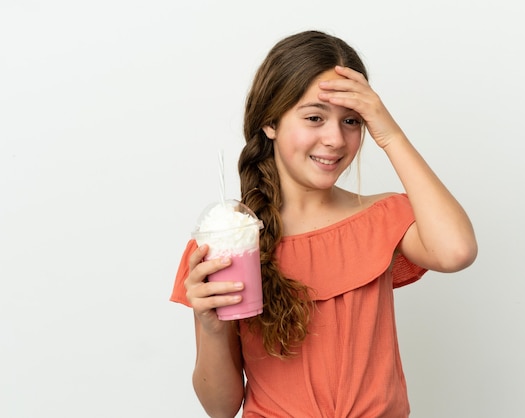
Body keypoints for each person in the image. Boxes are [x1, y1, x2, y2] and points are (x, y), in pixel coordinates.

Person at [170, 30, 477, 418]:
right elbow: (220, 407)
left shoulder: (382, 217)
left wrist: (390, 134)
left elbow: (457, 250)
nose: (334, 138)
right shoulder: (228, 241)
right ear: (270, 123)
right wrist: (210, 327)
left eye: (352, 120)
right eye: (315, 117)